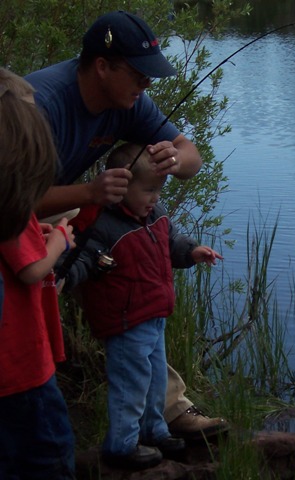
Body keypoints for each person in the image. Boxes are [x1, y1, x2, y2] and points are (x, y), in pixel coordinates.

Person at [25, 10, 229, 440]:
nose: (147, 86)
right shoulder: (43, 104)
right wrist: (89, 194)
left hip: (60, 204)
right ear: (102, 66)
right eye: (139, 75)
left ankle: (170, 410)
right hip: (19, 208)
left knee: (132, 282)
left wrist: (175, 161)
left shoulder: (128, 100)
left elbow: (191, 155)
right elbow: (12, 199)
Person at [61, 143, 224, 469]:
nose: (155, 197)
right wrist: (64, 276)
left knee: (154, 381)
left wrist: (192, 252)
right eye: (148, 190)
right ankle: (121, 445)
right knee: (130, 385)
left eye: (159, 190)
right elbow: (79, 262)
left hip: (154, 317)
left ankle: (154, 430)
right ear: (121, 188)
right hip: (125, 322)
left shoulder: (157, 215)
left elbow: (172, 244)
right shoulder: (104, 226)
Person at [0, 68, 76, 479]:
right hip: (20, 371)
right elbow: (31, 269)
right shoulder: (8, 209)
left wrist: (40, 231)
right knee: (49, 455)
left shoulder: (14, 210)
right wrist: (61, 238)